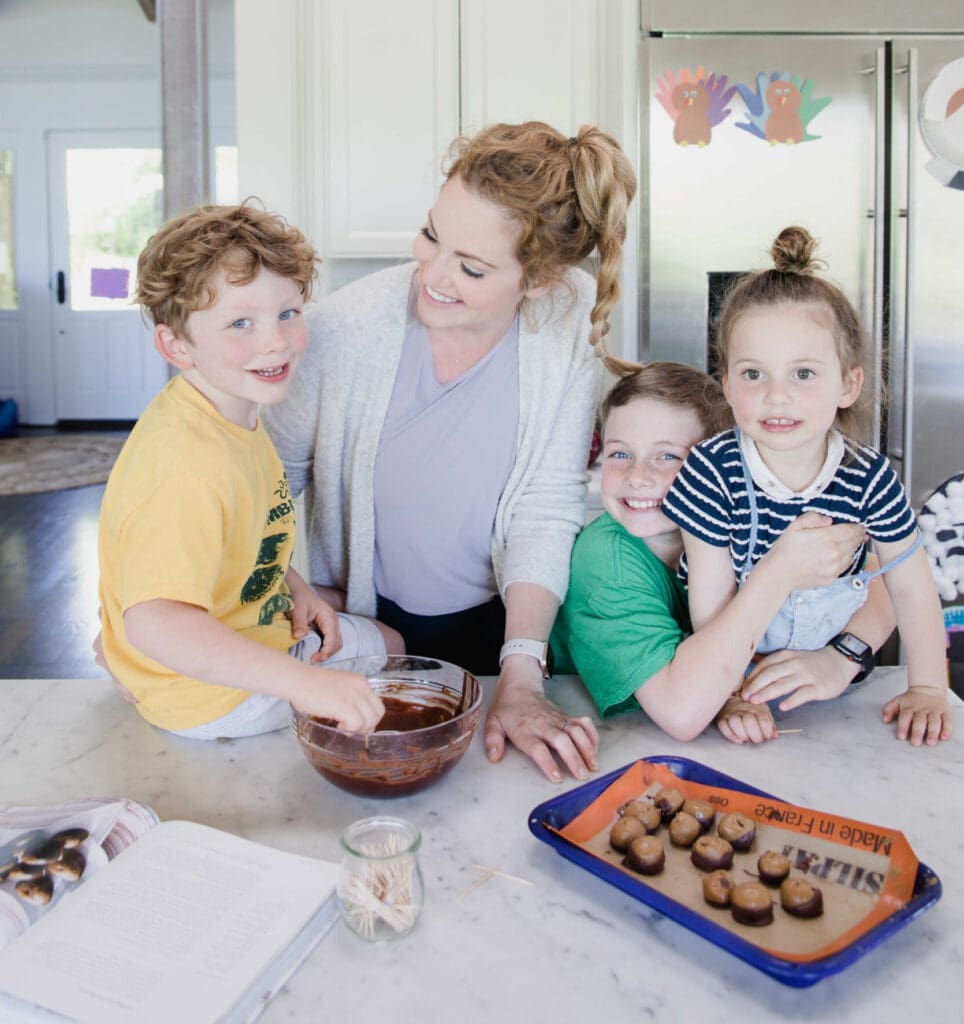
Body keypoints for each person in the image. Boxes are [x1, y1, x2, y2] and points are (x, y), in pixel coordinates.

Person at [264, 121, 638, 781]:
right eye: (432, 235)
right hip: (363, 628)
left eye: (470, 267)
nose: (431, 275)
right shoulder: (343, 333)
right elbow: (261, 487)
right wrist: (291, 583)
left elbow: (548, 504)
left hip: (503, 625)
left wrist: (521, 676)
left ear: (541, 279)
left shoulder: (565, 321)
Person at [97, 203, 395, 740]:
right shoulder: (184, 465)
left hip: (248, 637)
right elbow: (156, 620)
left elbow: (245, 535)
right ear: (175, 345)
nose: (275, 341)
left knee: (388, 643)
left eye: (288, 313)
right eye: (241, 323)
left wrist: (294, 585)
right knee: (387, 676)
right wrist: (307, 685)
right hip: (208, 696)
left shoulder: (229, 412)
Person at [661, 226, 953, 746]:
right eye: (753, 375)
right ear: (725, 384)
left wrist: (928, 686)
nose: (777, 397)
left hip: (834, 693)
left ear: (848, 384)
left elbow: (911, 588)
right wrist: (729, 694)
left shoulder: (869, 477)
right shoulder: (712, 471)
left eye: (803, 374)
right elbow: (710, 602)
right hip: (735, 674)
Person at [550, 361, 893, 741]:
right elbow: (681, 712)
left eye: (668, 457)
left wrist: (841, 658)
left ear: (721, 464)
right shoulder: (605, 561)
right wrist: (777, 574)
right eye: (619, 454)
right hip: (612, 737)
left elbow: (879, 576)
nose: (637, 476)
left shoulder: (749, 514)